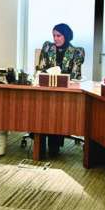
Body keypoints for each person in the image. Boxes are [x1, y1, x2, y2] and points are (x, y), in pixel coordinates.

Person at [36, 23, 85, 156]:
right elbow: (41, 69)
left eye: (59, 35)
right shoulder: (48, 47)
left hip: (64, 92)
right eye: (54, 35)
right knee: (41, 110)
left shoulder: (77, 52)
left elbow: (75, 76)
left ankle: (54, 146)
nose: (55, 38)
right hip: (46, 89)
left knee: (56, 112)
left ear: (66, 36)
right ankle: (39, 146)